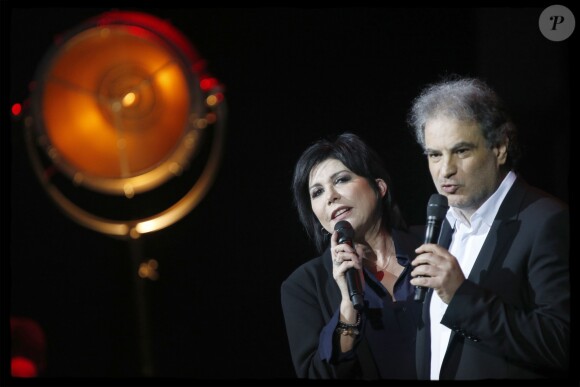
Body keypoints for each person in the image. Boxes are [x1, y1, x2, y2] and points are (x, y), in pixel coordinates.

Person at [407, 76, 570, 380]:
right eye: (434, 155)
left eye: (462, 151)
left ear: (500, 148)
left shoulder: (547, 221)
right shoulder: (444, 222)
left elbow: (561, 342)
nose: (445, 170)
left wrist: (463, 296)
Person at [280, 132, 423, 379]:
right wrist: (348, 307)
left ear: (379, 187)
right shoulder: (303, 286)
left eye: (342, 179)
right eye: (317, 192)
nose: (330, 196)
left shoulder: (434, 241)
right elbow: (316, 375)